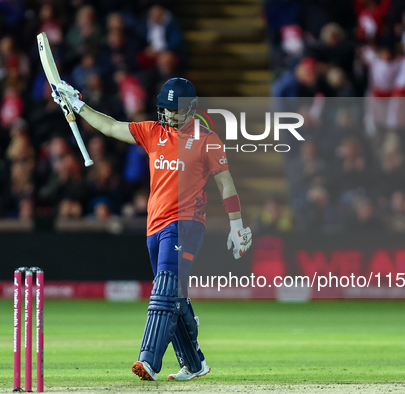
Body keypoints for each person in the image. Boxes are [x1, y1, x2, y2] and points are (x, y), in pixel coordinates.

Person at [51, 77, 253, 380]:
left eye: (176, 110)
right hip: (155, 225)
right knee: (175, 294)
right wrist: (77, 104)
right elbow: (110, 126)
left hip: (186, 224)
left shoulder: (207, 139)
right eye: (166, 109)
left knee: (165, 287)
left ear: (192, 108)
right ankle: (195, 364)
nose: (169, 116)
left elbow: (225, 183)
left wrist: (236, 225)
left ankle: (148, 360)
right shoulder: (152, 132)